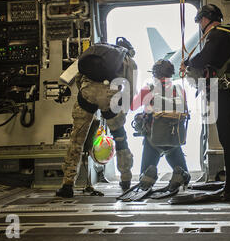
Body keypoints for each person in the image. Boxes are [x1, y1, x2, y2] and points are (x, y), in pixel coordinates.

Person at [56, 37, 137, 198]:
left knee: (77, 140)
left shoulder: (95, 51)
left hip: (87, 93)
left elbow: (79, 76)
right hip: (110, 96)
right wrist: (121, 111)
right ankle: (126, 179)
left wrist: (86, 92)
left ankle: (67, 184)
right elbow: (130, 88)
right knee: (120, 138)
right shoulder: (128, 59)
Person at [181, 4, 230, 201]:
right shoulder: (229, 35)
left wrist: (189, 64)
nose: (200, 24)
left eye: (200, 20)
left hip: (226, 93)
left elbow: (205, 57)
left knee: (229, 140)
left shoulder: (217, 35)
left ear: (206, 18)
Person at [130, 59, 191, 188]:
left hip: (153, 140)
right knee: (185, 176)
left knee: (144, 177)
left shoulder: (149, 88)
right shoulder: (179, 89)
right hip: (174, 139)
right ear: (172, 73)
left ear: (154, 73)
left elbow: (132, 106)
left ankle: (149, 175)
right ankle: (181, 174)